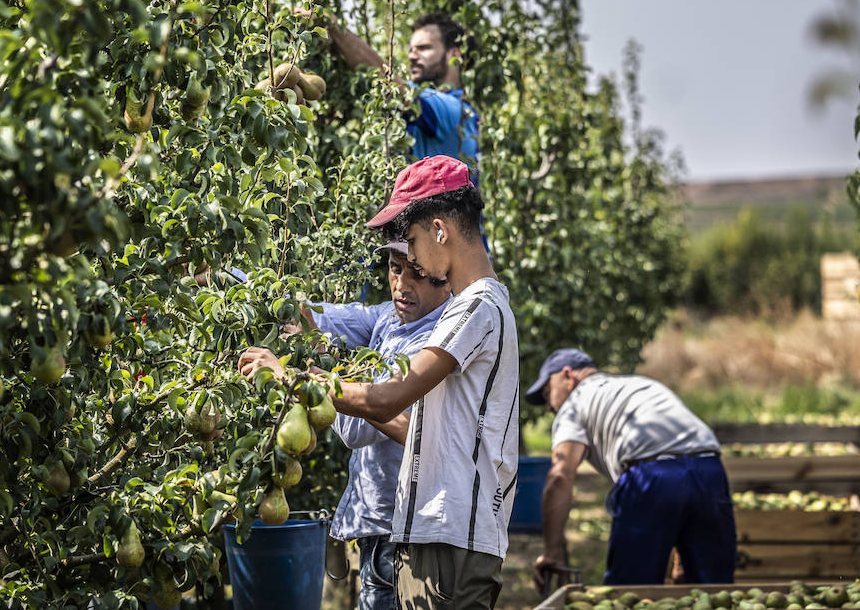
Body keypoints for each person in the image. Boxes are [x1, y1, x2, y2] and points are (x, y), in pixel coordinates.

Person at [316, 155, 518, 610]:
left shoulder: (475, 308)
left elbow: (387, 399)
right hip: (440, 535)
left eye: (412, 242)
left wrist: (295, 381)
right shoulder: (478, 306)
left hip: (451, 538)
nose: (411, 261)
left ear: (439, 231)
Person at [238, 241, 452, 610]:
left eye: (416, 273)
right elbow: (315, 315)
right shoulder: (389, 316)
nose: (402, 284)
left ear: (444, 277)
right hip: (381, 525)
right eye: (395, 268)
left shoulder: (435, 339)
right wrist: (230, 277)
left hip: (403, 531)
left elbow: (356, 430)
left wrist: (300, 376)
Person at [525, 348, 737, 588]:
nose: (548, 407)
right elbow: (682, 459)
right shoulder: (641, 385)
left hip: (650, 478)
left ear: (567, 376)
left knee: (630, 591)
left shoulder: (573, 404)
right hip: (709, 469)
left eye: (547, 393)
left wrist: (552, 551)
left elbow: (560, 476)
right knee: (713, 589)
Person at [322, 10, 479, 165]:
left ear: (454, 55)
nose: (412, 56)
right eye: (411, 50)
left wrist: (332, 24)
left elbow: (389, 82)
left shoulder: (455, 109)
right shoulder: (443, 113)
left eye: (424, 48)